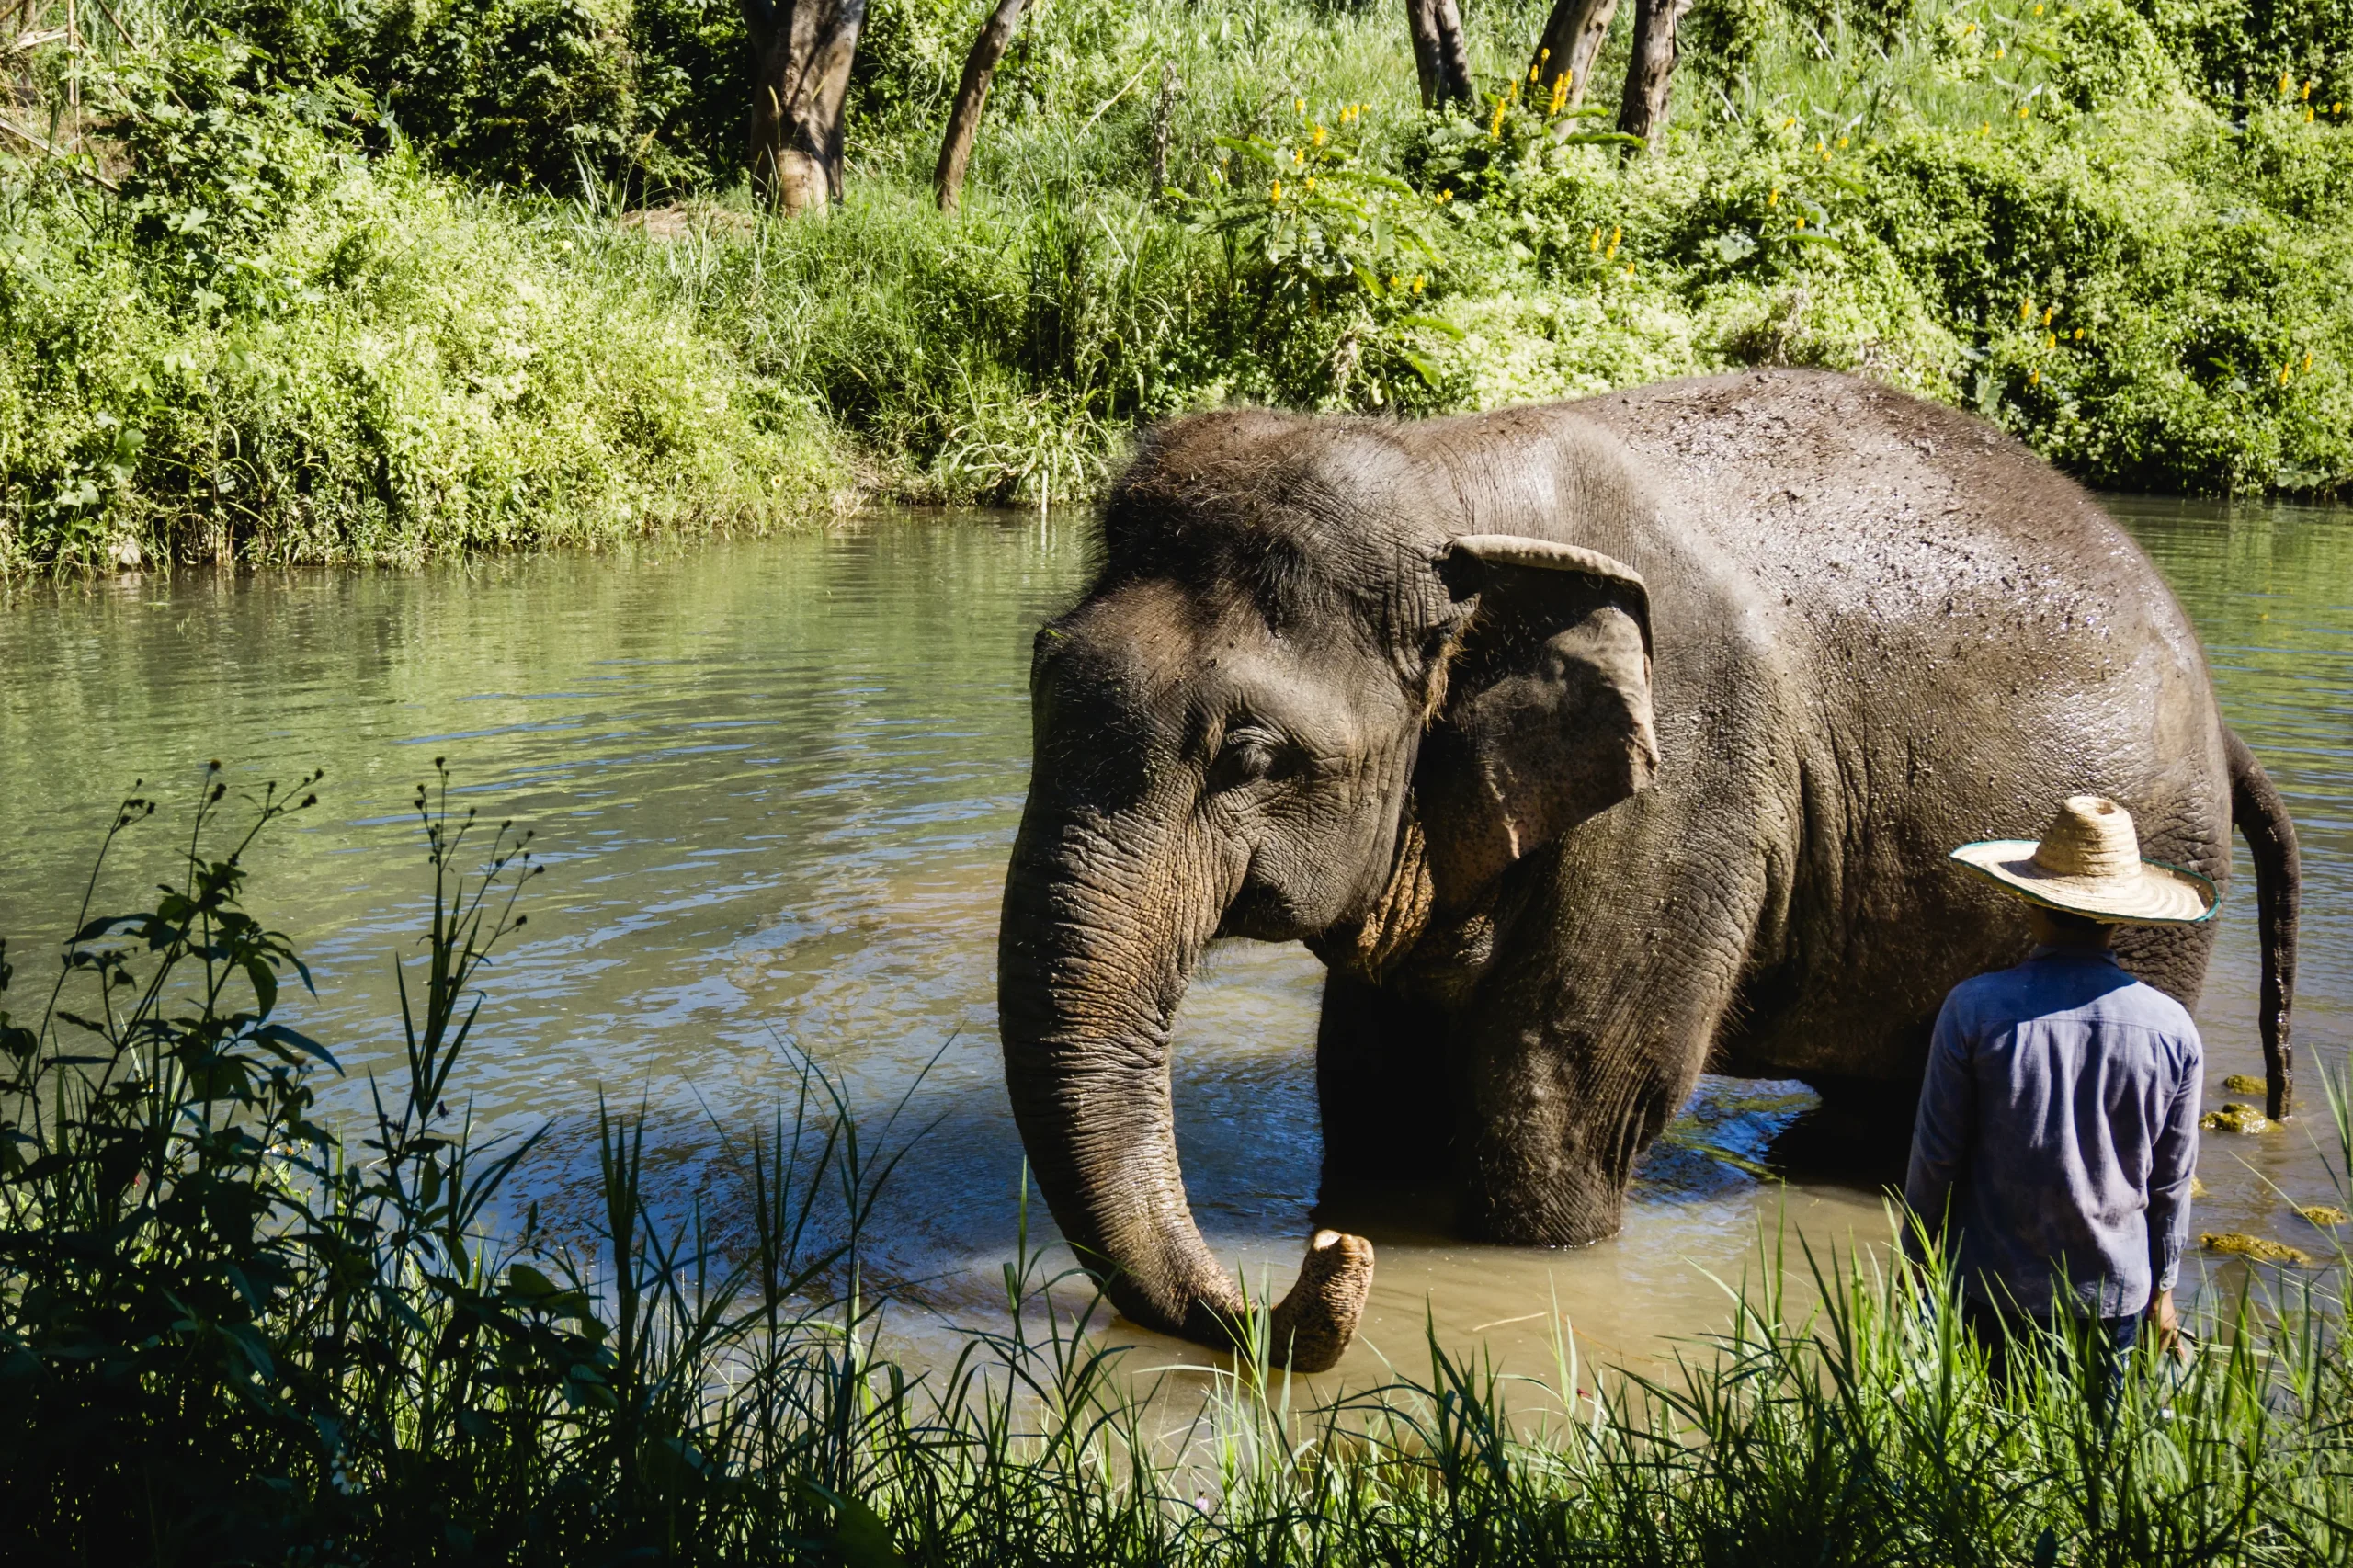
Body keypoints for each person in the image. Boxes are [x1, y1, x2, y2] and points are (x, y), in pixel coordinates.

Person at [1905, 794, 2211, 1401]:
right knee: (2094, 1452)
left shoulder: (1973, 1009)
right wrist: (2164, 1291)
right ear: (2121, 917)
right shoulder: (2173, 1029)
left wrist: (1916, 1262)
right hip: (2114, 1295)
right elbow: (2172, 1182)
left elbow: (1936, 1156)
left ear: (2032, 903)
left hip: (1993, 1288)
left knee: (1986, 1444)